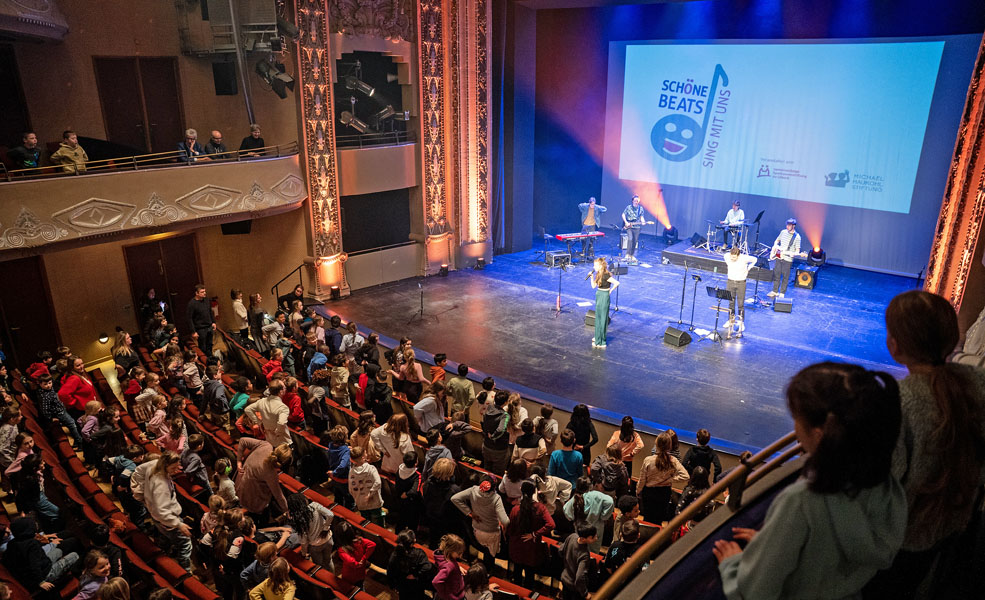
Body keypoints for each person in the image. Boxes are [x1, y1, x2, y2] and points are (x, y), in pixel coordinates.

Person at [714, 362, 906, 600]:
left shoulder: (801, 502)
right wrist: (771, 546)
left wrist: (734, 565)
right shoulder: (883, 482)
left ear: (818, 434)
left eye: (796, 418)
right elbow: (828, 551)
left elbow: (754, 592)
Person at [864, 290, 985, 597]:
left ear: (894, 346)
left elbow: (884, 485)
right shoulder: (976, 382)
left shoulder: (900, 402)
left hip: (901, 540)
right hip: (956, 522)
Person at [131, 451, 193, 568]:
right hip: (167, 519)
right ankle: (186, 571)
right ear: (165, 465)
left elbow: (138, 471)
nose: (176, 470)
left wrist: (144, 490)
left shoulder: (154, 465)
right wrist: (178, 524)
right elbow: (162, 512)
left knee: (165, 535)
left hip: (156, 516)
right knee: (185, 543)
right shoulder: (161, 486)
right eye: (173, 467)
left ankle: (164, 549)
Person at [3, 516, 81, 592]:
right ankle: (79, 572)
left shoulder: (12, 543)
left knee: (59, 550)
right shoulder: (32, 544)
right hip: (44, 574)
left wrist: (50, 541)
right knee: (74, 555)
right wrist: (41, 582)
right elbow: (34, 565)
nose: (35, 525)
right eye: (33, 525)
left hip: (43, 563)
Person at [452, 477, 510, 568]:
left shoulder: (473, 490)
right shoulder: (496, 498)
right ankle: (487, 571)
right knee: (490, 553)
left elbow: (454, 498)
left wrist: (469, 512)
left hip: (477, 530)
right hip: (492, 533)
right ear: (494, 488)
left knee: (483, 548)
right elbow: (505, 521)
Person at [508, 480, 555, 588]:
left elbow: (510, 530)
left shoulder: (515, 509)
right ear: (534, 492)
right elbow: (551, 524)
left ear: (521, 490)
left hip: (517, 546)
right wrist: (534, 534)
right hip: (532, 547)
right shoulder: (540, 508)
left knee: (517, 573)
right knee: (530, 575)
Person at [637, 431, 688, 523]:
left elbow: (642, 480)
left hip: (649, 493)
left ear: (656, 444)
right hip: (664, 493)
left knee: (647, 518)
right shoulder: (673, 461)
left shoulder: (648, 460)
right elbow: (685, 476)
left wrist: (638, 490)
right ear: (670, 446)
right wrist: (670, 480)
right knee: (659, 519)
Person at [234, 438, 292, 518]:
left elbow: (242, 440)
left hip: (238, 486)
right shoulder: (271, 474)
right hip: (251, 501)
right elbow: (279, 496)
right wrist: (286, 510)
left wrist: (239, 461)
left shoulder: (266, 445)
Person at [563, 476, 614, 553]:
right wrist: (604, 516)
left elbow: (567, 513)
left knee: (580, 550)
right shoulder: (596, 495)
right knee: (593, 552)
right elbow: (610, 501)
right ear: (591, 486)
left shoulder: (574, 498)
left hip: (580, 529)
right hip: (595, 530)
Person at [286, 492, 334, 570]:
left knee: (320, 567)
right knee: (329, 561)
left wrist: (304, 553)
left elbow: (303, 540)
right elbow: (330, 514)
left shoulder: (298, 519)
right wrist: (325, 528)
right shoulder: (315, 505)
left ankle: (324, 581)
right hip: (328, 539)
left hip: (315, 546)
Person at [387, 529, 434, 600]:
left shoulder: (395, 554)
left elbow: (390, 571)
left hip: (402, 585)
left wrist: (394, 586)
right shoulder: (419, 553)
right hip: (416, 585)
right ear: (414, 541)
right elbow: (427, 567)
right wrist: (415, 575)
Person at [723, 245, 757, 338]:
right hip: (730, 282)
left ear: (738, 255)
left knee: (740, 304)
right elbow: (726, 256)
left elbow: (754, 259)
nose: (732, 258)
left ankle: (741, 323)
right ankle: (730, 320)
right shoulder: (727, 256)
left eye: (734, 257)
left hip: (741, 283)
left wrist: (748, 268)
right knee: (731, 303)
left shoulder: (744, 258)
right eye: (732, 257)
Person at [348, 446, 384, 525]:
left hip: (361, 503)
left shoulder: (351, 472)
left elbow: (351, 489)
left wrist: (358, 497)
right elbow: (378, 482)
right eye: (366, 453)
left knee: (366, 523)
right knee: (378, 523)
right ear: (363, 457)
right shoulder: (371, 469)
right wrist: (370, 494)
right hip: (374, 502)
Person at [560, 525, 597, 600]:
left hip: (565, 578)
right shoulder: (584, 555)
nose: (596, 538)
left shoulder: (572, 536)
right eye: (593, 537)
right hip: (574, 588)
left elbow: (561, 550)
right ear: (583, 539)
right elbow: (579, 577)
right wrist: (585, 594)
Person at [588, 257, 618, 349]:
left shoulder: (605, 275)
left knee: (603, 318)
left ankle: (602, 341)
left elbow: (616, 283)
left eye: (596, 265)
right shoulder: (598, 274)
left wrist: (610, 291)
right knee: (598, 317)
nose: (594, 267)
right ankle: (598, 337)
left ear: (601, 266)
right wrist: (591, 277)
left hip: (604, 295)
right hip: (599, 294)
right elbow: (593, 286)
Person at [336, 520, 376, 586]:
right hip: (361, 573)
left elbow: (352, 562)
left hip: (349, 576)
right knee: (360, 587)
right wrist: (364, 558)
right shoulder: (360, 541)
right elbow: (372, 544)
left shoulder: (342, 550)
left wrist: (358, 564)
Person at [768, 218, 801, 298]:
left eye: (789, 225)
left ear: (793, 226)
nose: (787, 226)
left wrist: (794, 254)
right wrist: (775, 247)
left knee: (785, 276)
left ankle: (782, 293)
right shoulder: (783, 232)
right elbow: (777, 241)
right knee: (777, 274)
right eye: (787, 224)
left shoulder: (797, 237)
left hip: (788, 259)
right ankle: (775, 291)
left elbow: (797, 251)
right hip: (779, 255)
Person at [432, 534, 466, 600]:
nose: (460, 556)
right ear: (450, 550)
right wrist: (446, 595)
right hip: (452, 597)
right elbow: (435, 581)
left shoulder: (442, 557)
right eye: (459, 553)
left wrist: (458, 567)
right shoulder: (450, 565)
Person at [186, 283, 216, 356]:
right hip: (200, 329)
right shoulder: (192, 304)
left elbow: (210, 311)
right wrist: (193, 331)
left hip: (209, 326)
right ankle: (204, 360)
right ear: (196, 293)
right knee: (202, 347)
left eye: (205, 291)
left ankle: (210, 359)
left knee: (210, 345)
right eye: (202, 292)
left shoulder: (206, 300)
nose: (204, 293)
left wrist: (213, 322)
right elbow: (189, 318)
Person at [621, 194, 650, 264]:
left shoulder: (640, 209)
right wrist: (626, 222)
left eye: (637, 201)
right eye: (635, 201)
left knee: (635, 241)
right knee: (630, 239)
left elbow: (641, 217)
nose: (636, 202)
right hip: (629, 226)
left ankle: (632, 255)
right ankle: (627, 254)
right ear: (632, 201)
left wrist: (643, 221)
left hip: (637, 227)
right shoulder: (628, 207)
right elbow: (623, 214)